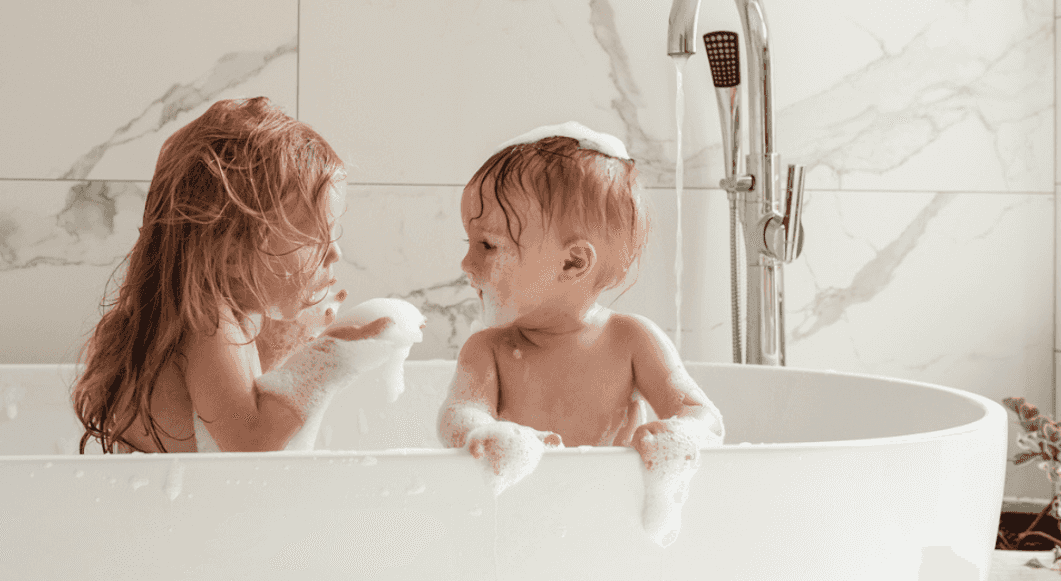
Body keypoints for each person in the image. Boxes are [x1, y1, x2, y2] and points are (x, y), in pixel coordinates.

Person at [72, 97, 404, 454]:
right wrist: (328, 359)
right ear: (231, 254)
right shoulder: (210, 326)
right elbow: (254, 446)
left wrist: (285, 345)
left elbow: (231, 412)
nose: (334, 253)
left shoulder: (209, 323)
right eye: (314, 237)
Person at [437, 122, 724, 490]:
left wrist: (681, 433)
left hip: (611, 508)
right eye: (470, 242)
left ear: (572, 263)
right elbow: (459, 413)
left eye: (488, 245)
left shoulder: (632, 340)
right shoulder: (489, 349)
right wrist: (487, 435)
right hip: (521, 507)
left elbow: (701, 415)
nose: (466, 264)